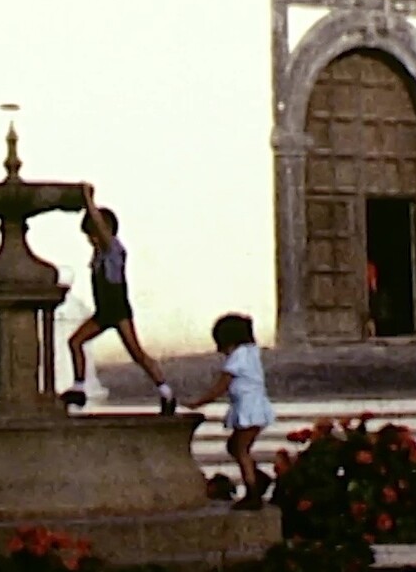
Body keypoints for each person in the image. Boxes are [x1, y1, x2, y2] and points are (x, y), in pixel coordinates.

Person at [60, 184, 177, 414]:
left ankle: (166, 392)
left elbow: (102, 229)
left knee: (137, 354)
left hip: (118, 310)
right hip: (104, 311)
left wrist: (88, 200)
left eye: (93, 234)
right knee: (75, 342)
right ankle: (80, 388)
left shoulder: (113, 249)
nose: (91, 240)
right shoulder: (98, 256)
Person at [183, 313, 277, 510]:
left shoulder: (238, 357)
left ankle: (252, 491)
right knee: (234, 446)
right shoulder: (251, 352)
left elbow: (222, 385)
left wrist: (199, 402)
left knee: (240, 449)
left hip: (249, 409)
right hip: (256, 407)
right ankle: (258, 476)